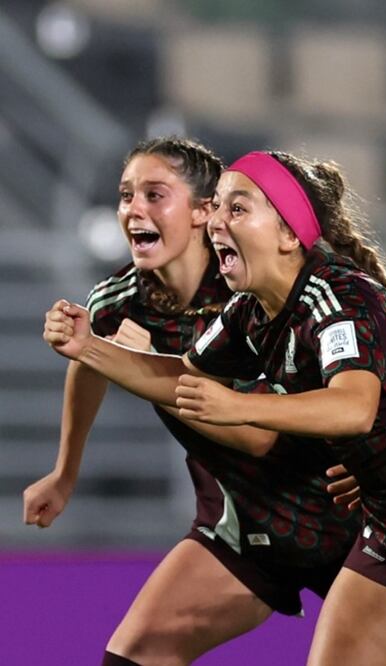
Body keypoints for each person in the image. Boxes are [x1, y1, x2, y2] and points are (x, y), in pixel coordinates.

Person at [42, 149, 386, 666]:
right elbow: (185, 377)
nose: (217, 222)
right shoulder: (248, 310)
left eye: (237, 208)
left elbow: (353, 407)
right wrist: (90, 348)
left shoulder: (336, 295)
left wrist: (238, 406)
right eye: (218, 206)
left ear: (289, 234)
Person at [24, 137, 360, 666]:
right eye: (126, 195)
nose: (134, 208)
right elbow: (89, 367)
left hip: (346, 519)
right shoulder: (116, 302)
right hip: (242, 525)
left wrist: (140, 365)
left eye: (155, 194)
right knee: (134, 655)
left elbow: (256, 433)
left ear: (206, 212)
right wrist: (65, 472)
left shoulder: (249, 293)